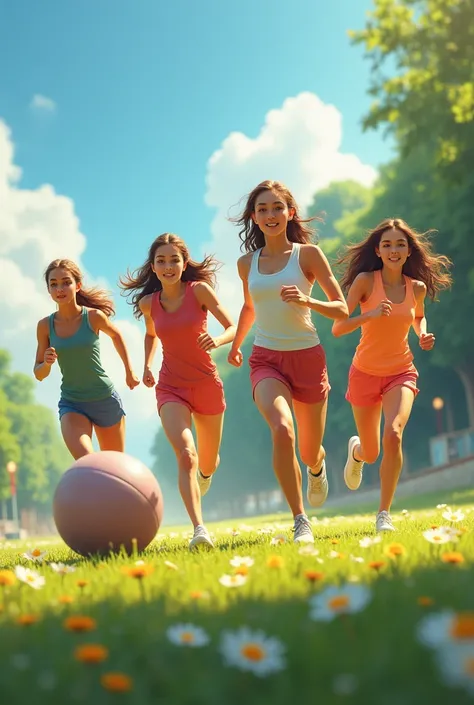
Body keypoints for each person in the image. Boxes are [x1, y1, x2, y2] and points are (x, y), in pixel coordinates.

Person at [227, 180, 348, 544]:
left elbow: (341, 308)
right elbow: (250, 307)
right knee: (282, 429)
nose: (270, 215)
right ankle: (300, 520)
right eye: (262, 209)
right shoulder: (246, 264)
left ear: (290, 212)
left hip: (308, 358)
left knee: (309, 450)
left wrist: (306, 301)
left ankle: (316, 466)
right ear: (254, 217)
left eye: (277, 207)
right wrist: (236, 344)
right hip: (266, 359)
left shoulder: (307, 255)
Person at [333, 218, 452, 532]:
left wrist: (423, 333)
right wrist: (370, 314)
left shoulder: (417, 288)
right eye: (387, 244)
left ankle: (384, 513)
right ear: (378, 250)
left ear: (409, 250)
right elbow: (338, 327)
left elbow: (418, 316)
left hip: (401, 371)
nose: (394, 249)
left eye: (400, 244)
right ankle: (357, 452)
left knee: (394, 433)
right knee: (372, 452)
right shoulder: (365, 282)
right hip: (364, 373)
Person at [120, 233, 236, 551]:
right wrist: (147, 364)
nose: (168, 266)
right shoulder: (148, 303)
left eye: (174, 259)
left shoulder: (199, 290)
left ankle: (205, 473)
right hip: (171, 386)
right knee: (186, 455)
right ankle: (199, 529)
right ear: (153, 267)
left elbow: (231, 325)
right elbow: (150, 334)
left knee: (207, 464)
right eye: (161, 260)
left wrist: (219, 340)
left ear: (185, 264)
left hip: (207, 385)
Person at [34, 259, 140, 460]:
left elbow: (116, 336)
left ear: (78, 285)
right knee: (89, 463)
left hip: (104, 400)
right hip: (72, 403)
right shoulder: (44, 326)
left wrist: (129, 371)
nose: (60, 288)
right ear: (48, 290)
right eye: (54, 284)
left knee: (113, 469)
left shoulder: (93, 317)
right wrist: (46, 363)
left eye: (66, 282)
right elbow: (39, 374)